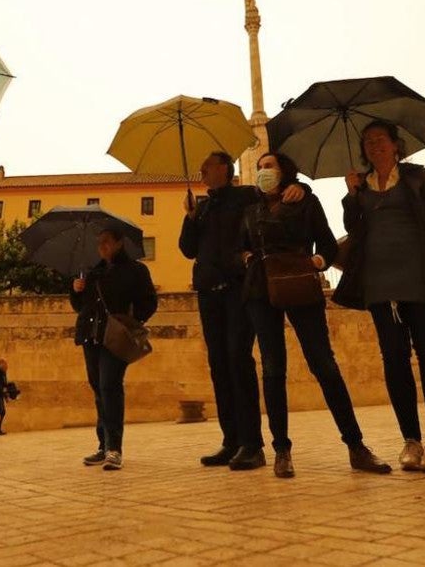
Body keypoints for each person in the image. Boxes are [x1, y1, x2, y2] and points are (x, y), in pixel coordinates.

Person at [333, 120, 425, 474]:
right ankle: (410, 440)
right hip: (380, 285)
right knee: (394, 359)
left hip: (421, 278)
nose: (374, 146)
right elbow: (354, 228)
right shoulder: (361, 187)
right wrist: (351, 195)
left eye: (380, 140)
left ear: (396, 145)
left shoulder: (418, 177)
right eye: (368, 142)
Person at [239, 152, 390, 479]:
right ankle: (281, 449)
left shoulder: (304, 200)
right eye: (260, 167)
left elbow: (328, 244)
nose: (264, 171)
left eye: (270, 166)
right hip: (260, 290)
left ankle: (356, 445)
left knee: (323, 363)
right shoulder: (250, 208)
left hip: (299, 285)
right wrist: (248, 256)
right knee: (273, 367)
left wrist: (317, 262)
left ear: (284, 172)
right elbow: (240, 244)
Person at [177, 151, 305, 471]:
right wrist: (190, 217)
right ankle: (231, 440)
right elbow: (187, 249)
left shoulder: (246, 196)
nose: (201, 171)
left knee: (238, 359)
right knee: (218, 364)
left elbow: (278, 193)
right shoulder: (201, 208)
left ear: (223, 168)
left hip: (238, 291)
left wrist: (304, 190)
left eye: (206, 166)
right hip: (209, 296)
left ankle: (252, 444)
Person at [70, 226, 158, 471]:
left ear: (119, 243)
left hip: (115, 338)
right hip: (91, 335)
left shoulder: (136, 270)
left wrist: (130, 322)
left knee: (110, 386)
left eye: (107, 242)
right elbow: (80, 306)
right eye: (100, 243)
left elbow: (149, 302)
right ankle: (103, 444)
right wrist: (76, 290)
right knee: (98, 388)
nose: (102, 247)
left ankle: (114, 447)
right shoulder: (92, 272)